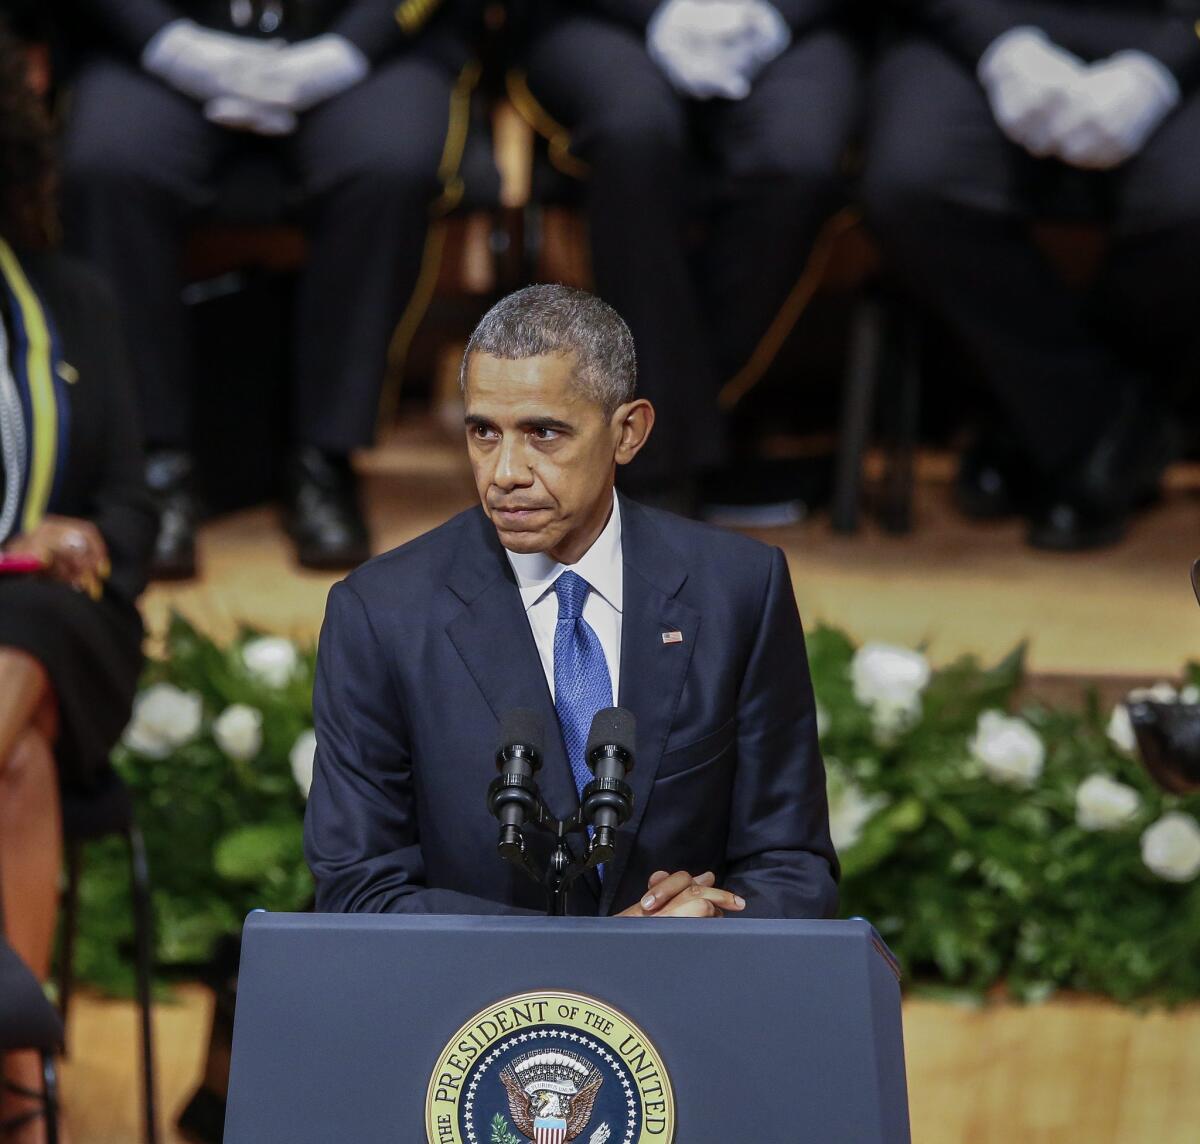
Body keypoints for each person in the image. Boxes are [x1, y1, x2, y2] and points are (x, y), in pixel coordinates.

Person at [305, 284, 838, 919]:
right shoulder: (381, 614)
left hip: (686, 1002)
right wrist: (590, 959)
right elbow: (360, 890)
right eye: (483, 432)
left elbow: (793, 866)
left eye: (544, 433)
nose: (505, 472)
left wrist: (715, 922)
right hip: (477, 1012)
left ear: (629, 433)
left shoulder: (738, 590)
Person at [60, 0, 476, 577]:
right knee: (109, 164)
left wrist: (343, 52)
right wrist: (172, 48)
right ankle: (155, 465)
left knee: (388, 165)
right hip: (158, 38)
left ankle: (325, 458)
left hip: (362, 41)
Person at [861, 0, 1200, 550]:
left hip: (1174, 26)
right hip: (974, 22)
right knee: (912, 183)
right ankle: (1109, 433)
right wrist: (1001, 42)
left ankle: (1032, 426)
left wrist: (1160, 64)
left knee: (1192, 205)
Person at [513, 0, 862, 511]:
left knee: (796, 162)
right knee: (636, 133)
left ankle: (669, 426)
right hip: (601, 18)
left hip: (790, 24)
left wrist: (770, 15)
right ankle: (664, 464)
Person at [0, 21, 155, 1142]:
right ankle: (18, 1073)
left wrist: (87, 542)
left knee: (26, 641)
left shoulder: (71, 299)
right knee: (15, 764)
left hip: (59, 621)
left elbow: (132, 506)